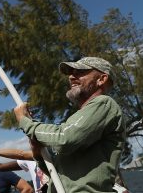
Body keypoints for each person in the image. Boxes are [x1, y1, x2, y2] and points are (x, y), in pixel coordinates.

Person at [14, 57, 126, 192]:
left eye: (80, 72)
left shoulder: (104, 103)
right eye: (71, 73)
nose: (71, 77)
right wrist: (38, 154)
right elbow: (60, 175)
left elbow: (65, 137)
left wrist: (25, 122)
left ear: (101, 79)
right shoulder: (81, 118)